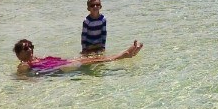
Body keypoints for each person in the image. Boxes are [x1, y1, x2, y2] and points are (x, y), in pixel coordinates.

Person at [14, 38, 143, 75]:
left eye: (31, 46)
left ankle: (127, 55)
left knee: (95, 59)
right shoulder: (24, 65)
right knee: (97, 60)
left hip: (66, 63)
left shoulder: (36, 58)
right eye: (26, 48)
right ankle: (125, 55)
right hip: (64, 68)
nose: (30, 49)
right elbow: (26, 78)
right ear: (19, 54)